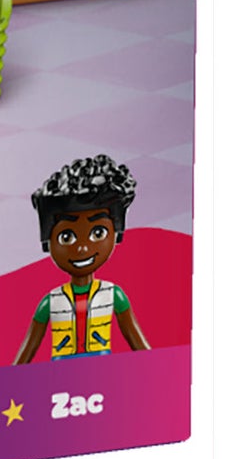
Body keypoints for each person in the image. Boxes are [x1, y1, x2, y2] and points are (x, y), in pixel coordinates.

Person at [16, 154, 152, 361]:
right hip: (59, 375)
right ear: (48, 240)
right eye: (66, 237)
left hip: (102, 372)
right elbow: (24, 356)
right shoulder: (50, 302)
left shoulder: (113, 295)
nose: (82, 248)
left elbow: (140, 346)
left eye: (98, 233)